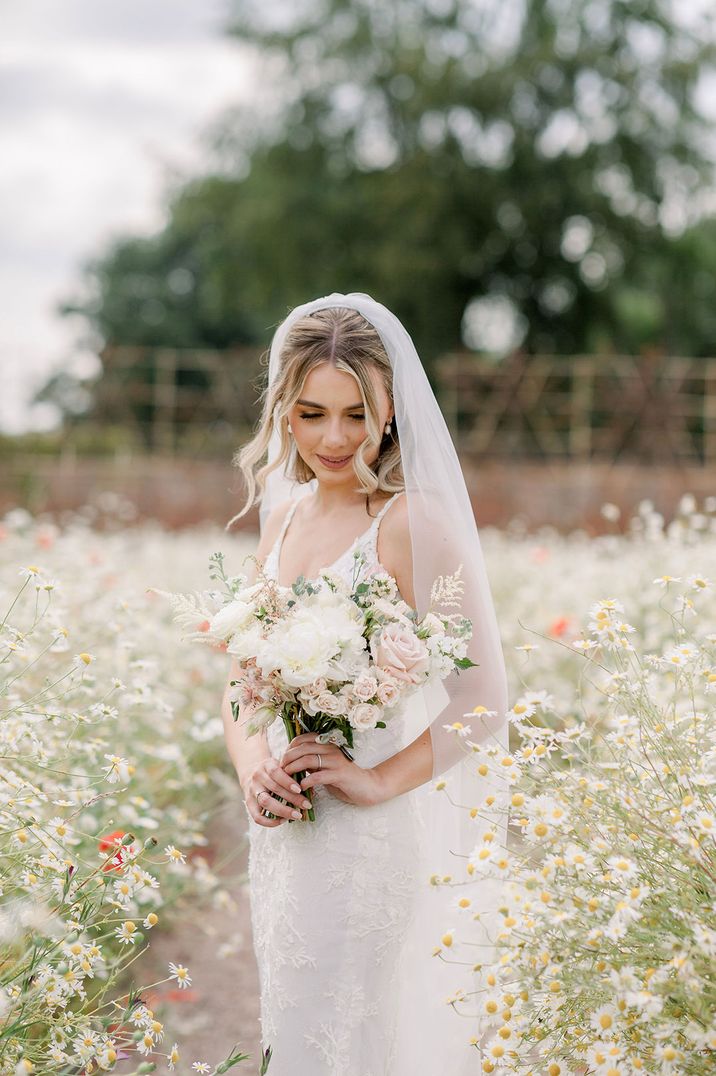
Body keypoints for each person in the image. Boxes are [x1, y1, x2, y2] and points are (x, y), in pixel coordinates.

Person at [221, 293, 509, 1076]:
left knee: (348, 1036)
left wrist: (379, 778)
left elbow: (484, 698)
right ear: (284, 412)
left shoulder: (414, 526)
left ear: (391, 412)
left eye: (357, 413)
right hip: (281, 836)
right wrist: (254, 770)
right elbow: (240, 685)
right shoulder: (279, 524)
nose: (335, 438)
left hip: (361, 846)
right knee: (294, 1023)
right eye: (312, 414)